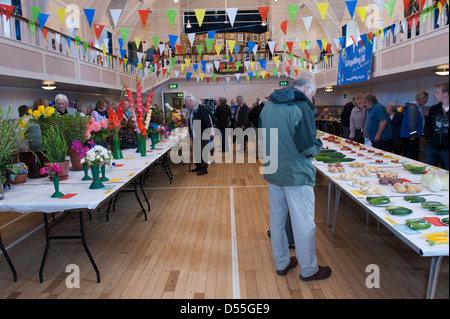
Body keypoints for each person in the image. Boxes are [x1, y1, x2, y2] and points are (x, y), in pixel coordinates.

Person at [259, 78, 332, 282]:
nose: (312, 98)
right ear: (307, 89)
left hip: (274, 171)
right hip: (296, 174)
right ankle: (309, 269)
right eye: (313, 94)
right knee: (303, 224)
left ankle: (281, 263)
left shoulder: (269, 105)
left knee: (277, 220)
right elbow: (307, 146)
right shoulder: (301, 106)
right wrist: (318, 145)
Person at [185, 94, 212, 176]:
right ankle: (198, 166)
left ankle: (204, 168)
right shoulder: (192, 109)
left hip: (202, 134)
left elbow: (207, 122)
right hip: (195, 134)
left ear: (190, 101)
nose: (186, 105)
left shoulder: (201, 109)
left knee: (202, 151)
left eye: (187, 103)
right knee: (197, 151)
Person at [424, 82, 449, 170]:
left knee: (446, 173)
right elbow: (428, 125)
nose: (435, 95)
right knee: (429, 170)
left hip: (447, 149)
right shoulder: (434, 109)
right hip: (432, 147)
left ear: (445, 94)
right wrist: (429, 139)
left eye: (437, 92)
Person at [400, 91, 428, 160]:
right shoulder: (413, 107)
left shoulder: (419, 107)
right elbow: (412, 121)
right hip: (409, 136)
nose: (426, 101)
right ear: (421, 99)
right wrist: (413, 134)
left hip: (413, 135)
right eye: (426, 99)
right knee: (410, 155)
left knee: (414, 154)